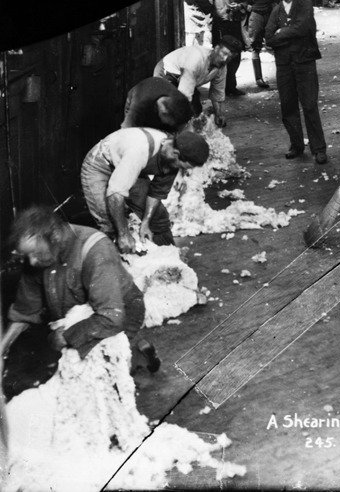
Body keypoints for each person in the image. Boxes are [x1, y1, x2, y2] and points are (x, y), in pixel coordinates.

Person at [1, 206, 161, 372]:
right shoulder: (38, 258)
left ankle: (134, 354)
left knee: (97, 379)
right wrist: (1, 348)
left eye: (35, 254)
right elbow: (25, 313)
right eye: (27, 256)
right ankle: (128, 352)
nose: (32, 262)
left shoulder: (95, 249)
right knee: (69, 365)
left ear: (55, 237)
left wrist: (67, 336)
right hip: (79, 318)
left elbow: (112, 317)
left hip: (120, 313)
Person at [80, 127, 209, 252]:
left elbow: (156, 193)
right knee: (110, 224)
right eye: (184, 166)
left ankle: (169, 259)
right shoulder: (140, 150)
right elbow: (115, 194)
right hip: (100, 165)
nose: (184, 170)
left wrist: (146, 222)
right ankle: (120, 268)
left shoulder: (172, 157)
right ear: (176, 154)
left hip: (128, 166)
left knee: (158, 217)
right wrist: (124, 234)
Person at [264, 0, 328, 164]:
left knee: (309, 105)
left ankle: (319, 148)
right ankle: (297, 145)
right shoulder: (276, 10)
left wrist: (281, 33)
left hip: (304, 62)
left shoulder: (304, 5)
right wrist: (284, 35)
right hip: (284, 65)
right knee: (288, 106)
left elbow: (302, 28)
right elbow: (268, 36)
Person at [154, 39, 241, 124]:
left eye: (230, 57)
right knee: (169, 109)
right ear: (216, 48)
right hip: (167, 70)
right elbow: (185, 93)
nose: (225, 59)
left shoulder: (222, 67)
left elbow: (217, 92)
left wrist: (218, 114)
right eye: (224, 53)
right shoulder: (196, 59)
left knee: (196, 110)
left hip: (185, 77)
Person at [238, 0, 276, 89]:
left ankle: (283, 75)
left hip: (270, 14)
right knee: (256, 46)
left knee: (276, 43)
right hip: (257, 15)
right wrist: (246, 6)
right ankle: (259, 78)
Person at [207, 0, 245, 96]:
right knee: (221, 56)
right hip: (222, 23)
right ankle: (219, 89)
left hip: (235, 21)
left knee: (236, 54)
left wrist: (240, 6)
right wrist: (217, 12)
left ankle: (231, 86)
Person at [121, 77, 193, 132]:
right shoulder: (139, 105)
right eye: (170, 123)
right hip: (137, 102)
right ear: (164, 112)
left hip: (155, 93)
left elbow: (184, 125)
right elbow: (125, 129)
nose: (171, 124)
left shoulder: (180, 100)